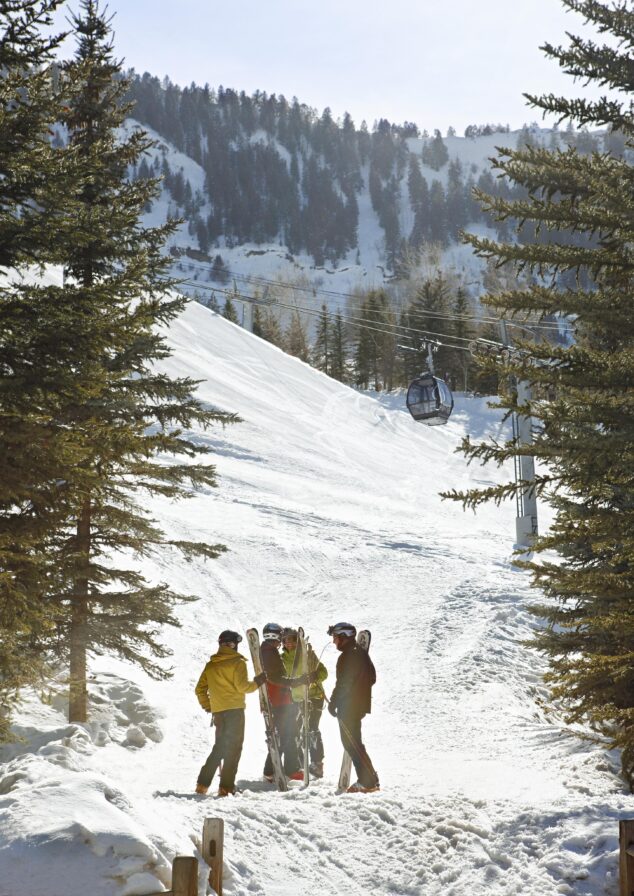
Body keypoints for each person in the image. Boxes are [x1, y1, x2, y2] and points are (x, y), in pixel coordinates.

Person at [194, 629, 266, 796]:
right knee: (233, 749)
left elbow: (199, 690)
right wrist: (257, 682)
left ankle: (202, 785)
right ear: (235, 645)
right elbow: (243, 687)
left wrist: (209, 706)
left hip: (218, 712)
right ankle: (226, 788)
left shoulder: (211, 665)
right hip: (235, 711)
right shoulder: (237, 662)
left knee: (219, 748)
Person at [327, 622, 380, 793]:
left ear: (344, 637)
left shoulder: (348, 656)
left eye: (336, 637)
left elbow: (344, 683)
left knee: (352, 743)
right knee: (354, 742)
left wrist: (334, 702)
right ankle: (370, 778)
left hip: (349, 706)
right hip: (357, 706)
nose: (334, 641)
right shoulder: (361, 654)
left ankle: (368, 781)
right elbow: (372, 677)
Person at [260, 622, 316, 782]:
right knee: (288, 735)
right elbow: (274, 677)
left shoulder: (267, 651)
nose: (281, 642)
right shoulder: (268, 652)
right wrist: (296, 681)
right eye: (281, 637)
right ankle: (290, 770)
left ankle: (271, 771)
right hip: (279, 701)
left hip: (279, 699)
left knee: (283, 736)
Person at [281, 627, 328, 778]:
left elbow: (323, 672)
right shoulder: (282, 659)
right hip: (296, 699)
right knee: (296, 731)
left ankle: (317, 764)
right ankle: (300, 764)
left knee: (312, 728)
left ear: (298, 641)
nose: (289, 643)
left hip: (313, 696)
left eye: (292, 640)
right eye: (286, 640)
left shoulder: (307, 654)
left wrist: (313, 677)